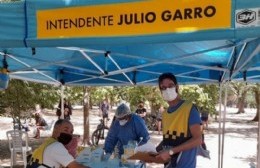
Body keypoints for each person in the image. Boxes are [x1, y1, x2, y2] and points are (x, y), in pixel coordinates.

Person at [152, 73, 202, 168]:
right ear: (161, 91)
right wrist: (153, 152)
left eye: (170, 85)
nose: (167, 89)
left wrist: (171, 151)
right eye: (163, 87)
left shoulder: (189, 108)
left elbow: (198, 139)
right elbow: (169, 140)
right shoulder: (165, 113)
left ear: (177, 87)